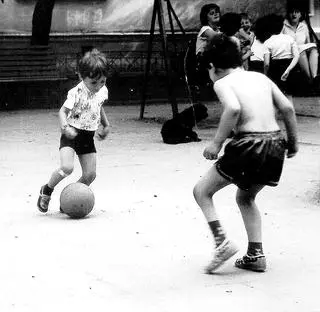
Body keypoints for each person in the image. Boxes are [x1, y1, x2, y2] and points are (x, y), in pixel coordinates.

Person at [193, 34, 298, 273]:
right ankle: (256, 254)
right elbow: (288, 108)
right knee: (246, 197)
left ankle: (222, 243)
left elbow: (233, 108)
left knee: (201, 191)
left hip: (248, 144)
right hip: (275, 145)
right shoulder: (261, 77)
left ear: (212, 67)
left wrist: (216, 143)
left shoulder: (223, 82)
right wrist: (293, 142)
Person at [37, 49, 110, 213]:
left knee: (90, 175)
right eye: (93, 83)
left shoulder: (102, 91)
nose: (98, 87)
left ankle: (70, 201)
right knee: (67, 168)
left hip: (87, 137)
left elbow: (99, 106)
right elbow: (62, 112)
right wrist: (65, 128)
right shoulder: (76, 92)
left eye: (103, 82)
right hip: (71, 135)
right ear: (81, 77)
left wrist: (106, 125)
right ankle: (47, 190)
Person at [282, 2, 319, 85]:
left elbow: (308, 42)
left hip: (301, 49)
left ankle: (314, 77)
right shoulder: (283, 25)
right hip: (290, 51)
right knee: (301, 52)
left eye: (297, 12)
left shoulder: (304, 26)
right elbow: (280, 41)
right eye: (292, 12)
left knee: (313, 49)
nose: (294, 14)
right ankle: (310, 80)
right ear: (288, 14)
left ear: (300, 15)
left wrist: (310, 46)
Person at [263, 14, 300, 94]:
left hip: (275, 69)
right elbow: (296, 56)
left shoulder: (267, 42)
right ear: (282, 26)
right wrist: (288, 69)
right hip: (290, 66)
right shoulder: (290, 38)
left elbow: (266, 64)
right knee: (289, 95)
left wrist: (265, 76)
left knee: (277, 95)